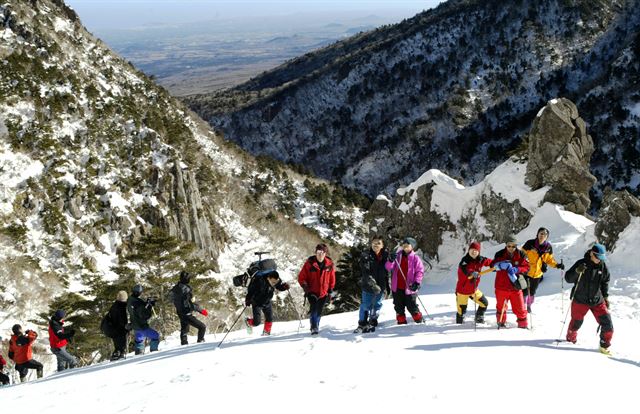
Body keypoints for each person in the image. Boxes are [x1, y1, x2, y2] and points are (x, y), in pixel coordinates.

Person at [564, 243, 613, 355]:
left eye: (601, 258)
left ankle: (604, 345)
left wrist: (605, 297)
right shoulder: (581, 263)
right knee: (576, 323)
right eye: (597, 257)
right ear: (591, 253)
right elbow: (568, 278)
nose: (599, 260)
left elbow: (605, 281)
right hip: (580, 300)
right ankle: (570, 340)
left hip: (597, 300)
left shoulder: (602, 266)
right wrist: (577, 272)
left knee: (608, 324)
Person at [521, 227, 564, 312]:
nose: (542, 235)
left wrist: (557, 265)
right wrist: (523, 262)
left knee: (532, 291)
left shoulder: (548, 247)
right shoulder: (530, 243)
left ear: (547, 237)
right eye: (541, 233)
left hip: (538, 274)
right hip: (527, 272)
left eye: (545, 234)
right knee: (524, 291)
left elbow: (549, 260)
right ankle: (522, 304)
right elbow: (521, 254)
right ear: (537, 234)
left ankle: (529, 305)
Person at [491, 236, 530, 328]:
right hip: (501, 286)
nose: (511, 248)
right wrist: (499, 265)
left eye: (513, 246)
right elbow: (492, 267)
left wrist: (517, 269)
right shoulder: (499, 254)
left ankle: (523, 325)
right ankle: (501, 323)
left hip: (515, 286)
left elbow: (527, 267)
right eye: (509, 246)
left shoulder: (521, 254)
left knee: (520, 308)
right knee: (501, 307)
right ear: (506, 245)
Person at [354, 235, 390, 333]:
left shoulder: (385, 256)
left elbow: (387, 271)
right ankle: (362, 323)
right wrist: (373, 284)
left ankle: (373, 320)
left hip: (381, 286)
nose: (376, 245)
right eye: (374, 243)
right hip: (368, 286)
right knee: (366, 305)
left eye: (378, 243)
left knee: (377, 305)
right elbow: (366, 272)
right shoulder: (366, 255)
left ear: (382, 245)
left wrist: (387, 286)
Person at [298, 243, 336, 335]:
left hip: (324, 292)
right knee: (314, 308)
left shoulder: (329, 264)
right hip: (312, 291)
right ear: (315, 252)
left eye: (323, 252)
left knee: (319, 310)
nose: (320, 254)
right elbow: (301, 277)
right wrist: (306, 287)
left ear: (325, 253)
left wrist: (330, 289)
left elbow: (332, 278)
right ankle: (314, 326)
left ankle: (316, 325)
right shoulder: (309, 263)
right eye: (319, 252)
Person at [385, 237, 425, 325]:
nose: (405, 247)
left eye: (408, 246)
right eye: (404, 245)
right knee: (398, 306)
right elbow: (388, 267)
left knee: (411, 306)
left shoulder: (415, 258)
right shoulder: (397, 256)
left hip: (409, 287)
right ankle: (401, 322)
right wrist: (390, 260)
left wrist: (417, 282)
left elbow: (420, 271)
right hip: (397, 287)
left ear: (412, 247)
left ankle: (419, 320)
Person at [455, 241, 492, 324]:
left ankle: (479, 317)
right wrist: (472, 273)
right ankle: (459, 323)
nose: (474, 252)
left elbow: (490, 262)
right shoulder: (464, 261)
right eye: (472, 249)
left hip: (473, 290)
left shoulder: (481, 260)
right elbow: (465, 269)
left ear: (478, 252)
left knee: (484, 303)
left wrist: (497, 264)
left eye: (476, 250)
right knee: (462, 310)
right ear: (468, 250)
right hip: (462, 291)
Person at [245, 271, 290, 336]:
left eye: (276, 282)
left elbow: (279, 287)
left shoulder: (275, 280)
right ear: (268, 278)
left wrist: (284, 287)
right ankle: (248, 321)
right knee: (257, 322)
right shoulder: (259, 281)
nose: (274, 284)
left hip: (267, 302)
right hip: (257, 303)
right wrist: (248, 300)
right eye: (273, 282)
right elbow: (251, 291)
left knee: (270, 319)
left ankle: (266, 333)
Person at [171, 271, 209, 345]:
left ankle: (184, 344)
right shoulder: (186, 290)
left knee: (184, 330)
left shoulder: (175, 288)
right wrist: (201, 311)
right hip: (186, 313)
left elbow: (170, 299)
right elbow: (190, 305)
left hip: (180, 313)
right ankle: (200, 343)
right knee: (202, 327)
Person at [127, 284, 160, 354]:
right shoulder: (138, 302)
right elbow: (145, 315)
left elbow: (138, 310)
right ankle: (154, 353)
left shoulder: (130, 300)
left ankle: (138, 353)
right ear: (139, 292)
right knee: (155, 336)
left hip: (135, 326)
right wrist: (150, 306)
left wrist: (146, 304)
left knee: (139, 340)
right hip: (141, 326)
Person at [107, 290, 130, 360]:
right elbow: (122, 320)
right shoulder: (121, 307)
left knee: (117, 345)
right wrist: (127, 328)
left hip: (113, 329)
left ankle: (116, 354)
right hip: (120, 330)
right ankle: (119, 355)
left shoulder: (114, 305)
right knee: (121, 345)